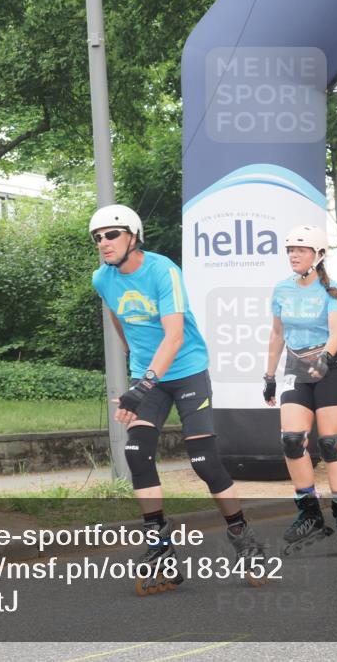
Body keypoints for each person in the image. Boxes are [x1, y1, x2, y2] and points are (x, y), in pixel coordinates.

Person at [89, 204, 266, 592]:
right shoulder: (102, 279)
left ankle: (243, 538)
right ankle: (160, 547)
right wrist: (133, 361)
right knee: (136, 453)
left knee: (204, 461)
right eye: (97, 237)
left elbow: (174, 337)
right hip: (147, 376)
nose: (103, 242)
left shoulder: (163, 270)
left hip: (186, 370)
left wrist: (141, 385)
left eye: (111, 234)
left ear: (133, 236)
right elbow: (119, 318)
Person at [263, 224, 337, 555]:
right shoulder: (281, 289)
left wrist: (323, 359)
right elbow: (277, 335)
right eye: (290, 249)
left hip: (330, 367)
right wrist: (269, 376)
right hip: (295, 367)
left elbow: (336, 334)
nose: (293, 254)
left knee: (331, 443)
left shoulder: (331, 291)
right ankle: (309, 511)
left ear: (317, 255)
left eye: (300, 250)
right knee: (291, 440)